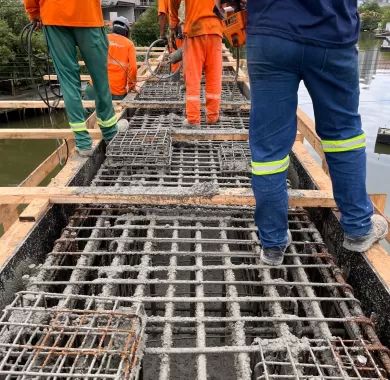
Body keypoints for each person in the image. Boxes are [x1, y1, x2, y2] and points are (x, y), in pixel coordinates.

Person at [245, 0, 388, 266]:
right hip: (331, 34)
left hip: (271, 34)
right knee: (345, 137)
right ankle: (358, 228)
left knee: (268, 151)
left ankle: (273, 244)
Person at [23, 0, 118, 156]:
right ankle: (111, 134)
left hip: (54, 16)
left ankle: (83, 142)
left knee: (68, 81)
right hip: (88, 15)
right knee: (100, 79)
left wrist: (35, 13)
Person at [170, 0, 223, 126]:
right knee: (214, 76)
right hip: (215, 31)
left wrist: (173, 24)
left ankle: (193, 119)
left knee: (193, 77)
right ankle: (213, 116)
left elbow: (174, 2)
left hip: (194, 29)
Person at [85, 16, 137, 101]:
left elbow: (91, 59)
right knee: (113, 114)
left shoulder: (102, 39)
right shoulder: (129, 44)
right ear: (126, 31)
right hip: (115, 92)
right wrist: (131, 86)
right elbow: (133, 68)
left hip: (94, 88)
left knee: (88, 114)